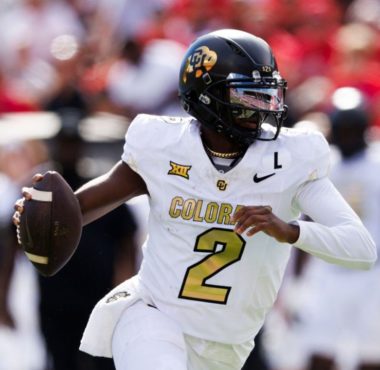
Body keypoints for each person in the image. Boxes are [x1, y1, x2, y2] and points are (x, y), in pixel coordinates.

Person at [13, 29, 377, 370]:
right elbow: (75, 210)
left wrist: (289, 230)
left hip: (228, 342)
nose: (262, 107)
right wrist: (39, 214)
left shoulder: (291, 159)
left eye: (268, 94)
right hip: (153, 315)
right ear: (207, 95)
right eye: (248, 95)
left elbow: (361, 249)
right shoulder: (163, 148)